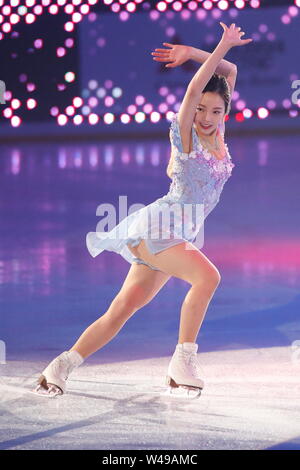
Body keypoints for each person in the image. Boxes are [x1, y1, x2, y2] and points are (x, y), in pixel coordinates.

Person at [33, 22, 252, 398]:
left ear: (223, 113)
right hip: (159, 229)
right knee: (208, 278)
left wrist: (192, 54)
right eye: (201, 109)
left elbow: (228, 72)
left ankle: (61, 366)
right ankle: (183, 360)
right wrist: (218, 46)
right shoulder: (185, 133)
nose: (206, 116)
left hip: (173, 235)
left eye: (215, 111)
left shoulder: (218, 134)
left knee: (120, 311)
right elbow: (195, 90)